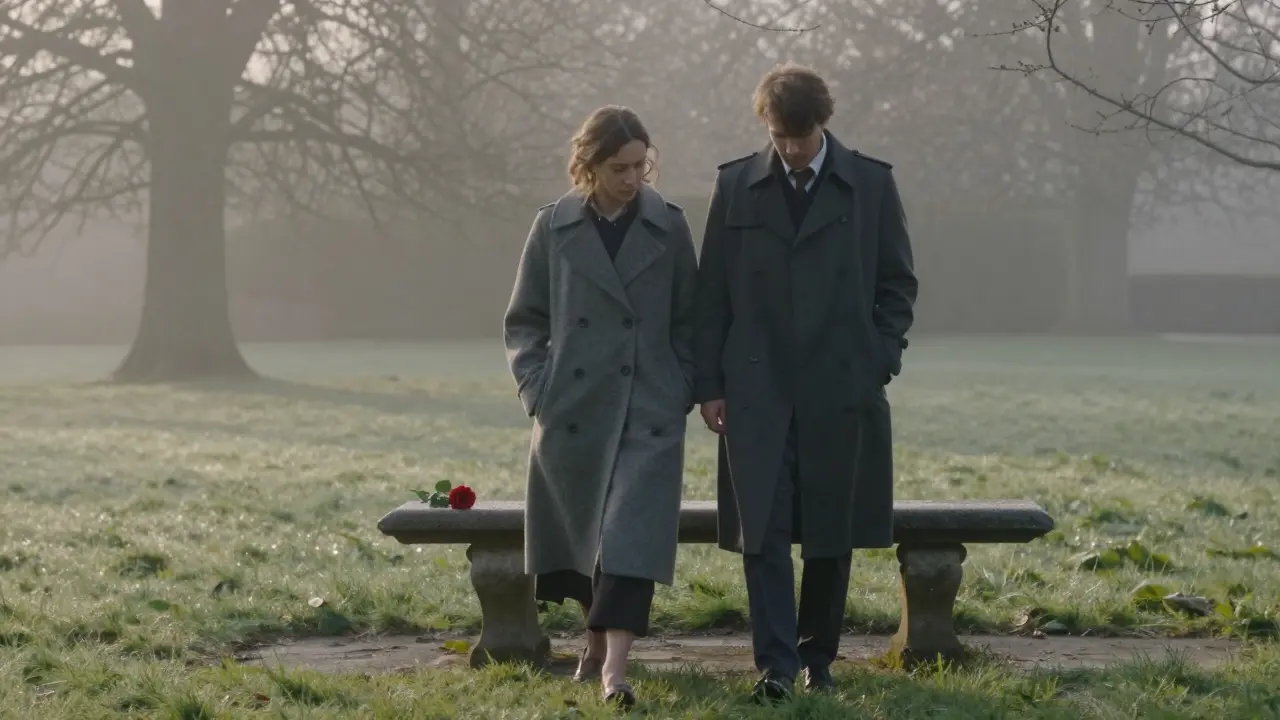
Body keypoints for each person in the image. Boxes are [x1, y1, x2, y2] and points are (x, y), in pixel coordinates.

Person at [692, 63, 918, 702]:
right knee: (760, 529)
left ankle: (818, 659)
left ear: (824, 122)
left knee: (830, 530)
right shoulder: (735, 184)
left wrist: (878, 357)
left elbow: (897, 284)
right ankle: (776, 666)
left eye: (801, 135)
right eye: (778, 134)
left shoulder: (871, 185)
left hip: (840, 385)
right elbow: (711, 295)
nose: (789, 147)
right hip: (753, 387)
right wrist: (710, 384)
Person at [503, 105, 698, 708]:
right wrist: (539, 389)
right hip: (573, 406)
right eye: (620, 167)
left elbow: (693, 318)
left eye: (642, 164)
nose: (634, 178)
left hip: (649, 405)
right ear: (588, 166)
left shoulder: (669, 225)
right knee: (584, 535)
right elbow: (525, 321)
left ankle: (616, 669)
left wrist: (679, 384)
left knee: (628, 534)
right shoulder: (551, 226)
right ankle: (593, 640)